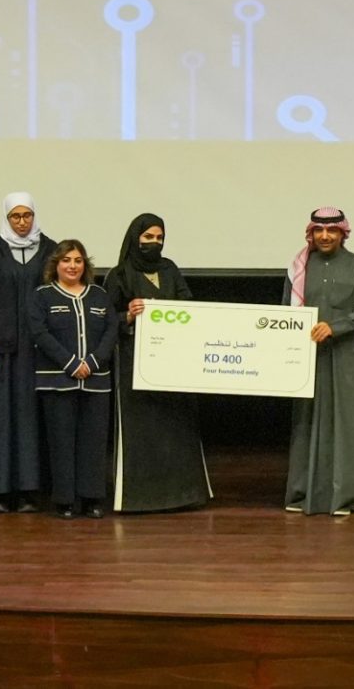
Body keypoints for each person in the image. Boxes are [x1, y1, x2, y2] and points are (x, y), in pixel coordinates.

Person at [104, 213, 211, 513]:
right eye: (148, 237)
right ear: (135, 238)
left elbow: (189, 306)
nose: (154, 243)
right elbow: (105, 319)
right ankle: (140, 498)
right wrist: (127, 315)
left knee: (177, 426)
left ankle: (182, 495)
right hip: (134, 364)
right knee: (142, 431)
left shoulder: (170, 269)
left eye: (159, 238)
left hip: (175, 362)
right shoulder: (119, 274)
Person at [282, 207, 354, 516]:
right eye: (319, 231)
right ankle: (302, 493)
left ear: (342, 233)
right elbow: (285, 313)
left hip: (346, 357)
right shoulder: (299, 268)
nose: (324, 236)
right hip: (305, 357)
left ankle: (346, 497)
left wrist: (335, 327)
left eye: (331, 230)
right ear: (311, 233)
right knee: (305, 422)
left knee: (346, 424)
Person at [0, 192, 55, 513]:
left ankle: (30, 491)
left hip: (39, 353)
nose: (22, 222)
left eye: (27, 216)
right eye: (15, 217)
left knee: (31, 421)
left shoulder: (50, 250)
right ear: (6, 218)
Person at [29, 239, 116, 519]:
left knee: (94, 443)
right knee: (61, 443)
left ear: (85, 265)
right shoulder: (42, 296)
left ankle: (92, 499)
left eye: (78, 260)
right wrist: (70, 363)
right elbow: (40, 334)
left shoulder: (99, 295)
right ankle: (64, 501)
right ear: (56, 264)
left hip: (96, 382)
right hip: (57, 381)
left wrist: (92, 362)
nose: (72, 266)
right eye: (66, 260)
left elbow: (110, 331)